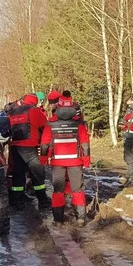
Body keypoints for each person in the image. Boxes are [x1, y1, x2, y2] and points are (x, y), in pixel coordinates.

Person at [41, 96, 90, 226]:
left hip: (57, 163)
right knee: (77, 190)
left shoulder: (51, 122)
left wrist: (43, 159)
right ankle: (80, 218)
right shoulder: (79, 123)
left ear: (59, 107)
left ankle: (58, 220)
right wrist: (86, 160)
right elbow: (85, 143)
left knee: (58, 191)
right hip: (75, 161)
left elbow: (45, 143)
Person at [8, 93, 49, 208]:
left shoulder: (13, 112)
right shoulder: (34, 111)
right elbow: (45, 125)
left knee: (18, 173)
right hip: (29, 147)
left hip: (15, 147)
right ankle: (43, 200)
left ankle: (17, 200)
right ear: (35, 102)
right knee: (37, 172)